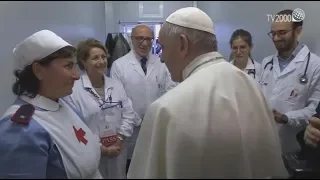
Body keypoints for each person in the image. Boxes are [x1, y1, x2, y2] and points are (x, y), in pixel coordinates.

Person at [127, 7, 288, 179]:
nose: (162, 58)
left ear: (183, 44)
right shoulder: (250, 85)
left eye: (163, 48)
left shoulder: (165, 109)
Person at [0, 30, 104, 178]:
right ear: (38, 71)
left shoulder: (62, 105)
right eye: (68, 66)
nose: (76, 75)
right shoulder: (20, 131)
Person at [64, 38, 140, 179]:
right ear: (84, 63)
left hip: (118, 148)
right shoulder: (74, 90)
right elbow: (74, 125)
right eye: (95, 58)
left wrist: (120, 138)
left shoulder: (116, 85)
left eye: (104, 57)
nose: (101, 61)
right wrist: (100, 148)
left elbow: (128, 113)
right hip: (91, 152)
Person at [110, 24, 177, 171]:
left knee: (154, 165)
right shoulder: (119, 66)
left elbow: (170, 91)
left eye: (149, 39)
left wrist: (154, 116)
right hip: (131, 129)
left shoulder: (161, 63)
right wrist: (139, 120)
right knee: (132, 166)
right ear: (131, 39)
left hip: (156, 124)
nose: (145, 43)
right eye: (140, 38)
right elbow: (119, 100)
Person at [259, 9, 320, 153]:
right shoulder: (266, 63)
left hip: (293, 144)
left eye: (281, 33)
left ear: (297, 31)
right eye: (273, 33)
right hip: (264, 141)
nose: (275, 38)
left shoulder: (315, 65)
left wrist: (286, 118)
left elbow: (314, 110)